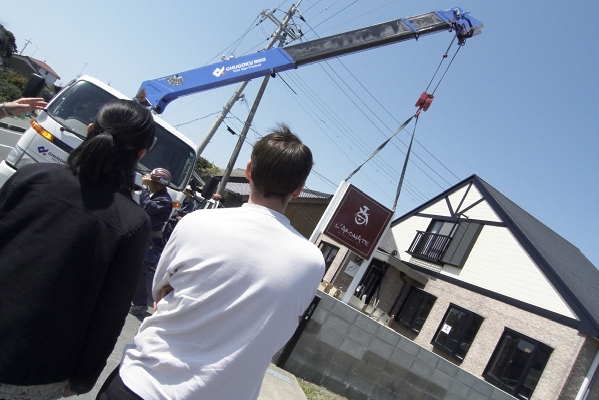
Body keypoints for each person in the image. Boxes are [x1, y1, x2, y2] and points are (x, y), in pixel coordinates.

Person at [97, 123, 325, 400]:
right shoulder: (311, 262)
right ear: (299, 188)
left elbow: (160, 294)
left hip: (141, 382)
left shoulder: (197, 222)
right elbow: (280, 331)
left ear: (249, 170)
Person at [0, 99, 156, 399]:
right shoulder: (133, 223)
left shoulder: (31, 176)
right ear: (140, 154)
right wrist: (83, 378)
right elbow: (110, 313)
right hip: (32, 371)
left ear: (89, 130)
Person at [129, 168, 173, 315]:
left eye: (152, 181)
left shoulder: (164, 200)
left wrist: (145, 188)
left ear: (159, 184)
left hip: (152, 241)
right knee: (133, 267)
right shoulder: (157, 195)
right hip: (145, 236)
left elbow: (146, 207)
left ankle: (140, 304)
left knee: (140, 271)